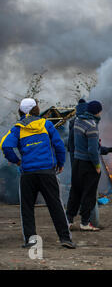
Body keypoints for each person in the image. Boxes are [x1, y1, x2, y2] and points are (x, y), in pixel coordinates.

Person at [0, 98, 75, 249]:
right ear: (36, 109)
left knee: (27, 208)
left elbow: (5, 145)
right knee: (56, 206)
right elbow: (59, 146)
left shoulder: (18, 128)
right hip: (47, 172)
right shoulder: (46, 124)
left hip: (28, 174)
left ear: (21, 111)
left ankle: (31, 240)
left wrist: (17, 161)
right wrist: (60, 163)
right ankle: (65, 239)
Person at [66, 100, 104, 231]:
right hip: (88, 164)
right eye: (100, 111)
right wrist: (97, 166)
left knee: (75, 191)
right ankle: (85, 222)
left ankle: (69, 220)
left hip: (77, 162)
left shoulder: (77, 121)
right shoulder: (92, 125)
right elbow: (92, 150)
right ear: (97, 111)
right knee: (89, 193)